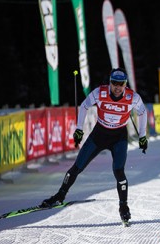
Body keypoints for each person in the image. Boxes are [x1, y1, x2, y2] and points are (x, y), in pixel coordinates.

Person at [39, 68, 148, 225]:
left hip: (119, 138)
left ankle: (123, 207)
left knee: (119, 171)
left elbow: (142, 112)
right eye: (114, 83)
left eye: (121, 84)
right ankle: (59, 196)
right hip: (99, 135)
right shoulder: (100, 93)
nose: (117, 87)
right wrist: (78, 129)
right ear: (110, 83)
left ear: (125, 84)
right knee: (77, 166)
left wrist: (142, 136)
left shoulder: (133, 97)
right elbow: (83, 106)